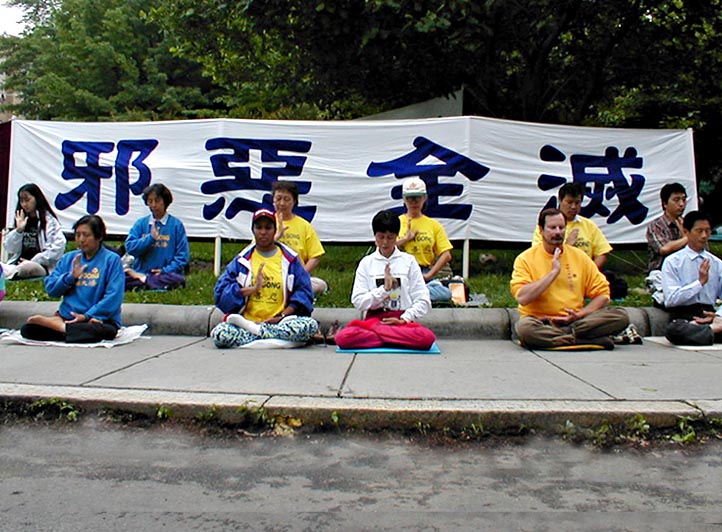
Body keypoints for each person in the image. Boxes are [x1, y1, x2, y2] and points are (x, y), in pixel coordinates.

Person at [512, 208, 629, 350]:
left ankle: (562, 338)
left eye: (561, 228)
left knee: (620, 316)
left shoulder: (579, 257)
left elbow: (603, 295)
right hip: (542, 322)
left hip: (576, 322)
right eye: (552, 228)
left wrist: (579, 315)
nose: (558, 232)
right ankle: (587, 340)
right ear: (541, 230)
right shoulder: (525, 259)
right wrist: (553, 273)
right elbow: (523, 298)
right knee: (525, 329)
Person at [211, 208, 319, 348]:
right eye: (259, 227)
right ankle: (274, 339)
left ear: (275, 230)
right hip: (247, 322)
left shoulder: (290, 259)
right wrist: (251, 290)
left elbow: (304, 293)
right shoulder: (242, 261)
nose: (263, 232)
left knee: (309, 326)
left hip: (281, 322)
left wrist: (281, 316)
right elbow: (220, 294)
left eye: (268, 228)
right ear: (253, 230)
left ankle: (256, 335)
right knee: (220, 334)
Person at [334, 209, 436, 350]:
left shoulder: (409, 261)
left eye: (390, 237)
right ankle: (395, 339)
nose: (385, 242)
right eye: (381, 237)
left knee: (426, 338)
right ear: (375, 236)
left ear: (396, 236)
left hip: (401, 320)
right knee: (343, 337)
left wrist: (405, 318)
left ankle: (381, 338)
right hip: (374, 320)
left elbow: (423, 299)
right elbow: (358, 301)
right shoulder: (366, 263)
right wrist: (383, 290)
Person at [20, 215, 124, 343]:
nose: (81, 240)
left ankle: (61, 328)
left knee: (103, 331)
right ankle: (67, 328)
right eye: (78, 235)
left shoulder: (112, 260)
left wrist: (87, 316)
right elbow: (51, 290)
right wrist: (70, 277)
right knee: (28, 329)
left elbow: (114, 296)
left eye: (86, 235)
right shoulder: (68, 258)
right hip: (68, 317)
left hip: (98, 319)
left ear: (99, 237)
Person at [661, 211, 722, 345]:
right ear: (686, 232)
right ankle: (711, 331)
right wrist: (699, 283)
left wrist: (718, 316)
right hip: (683, 315)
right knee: (674, 330)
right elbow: (671, 299)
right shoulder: (673, 261)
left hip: (709, 313)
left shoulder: (717, 263)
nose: (704, 236)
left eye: (707, 231)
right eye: (699, 231)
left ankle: (710, 330)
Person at [396, 177, 453, 302]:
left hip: (424, 272)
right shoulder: (396, 222)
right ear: (404, 199)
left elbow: (446, 254)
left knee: (445, 294)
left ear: (424, 198)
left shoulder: (433, 224)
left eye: (417, 198)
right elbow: (384, 247)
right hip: (402, 271)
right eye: (410, 198)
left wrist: (429, 275)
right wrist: (405, 239)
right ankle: (414, 295)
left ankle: (408, 295)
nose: (414, 202)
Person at [123, 183, 189, 291]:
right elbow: (130, 247)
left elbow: (182, 256)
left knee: (178, 280)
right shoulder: (141, 223)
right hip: (140, 271)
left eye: (157, 201)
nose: (153, 205)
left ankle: (145, 281)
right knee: (120, 278)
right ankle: (148, 281)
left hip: (165, 274)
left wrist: (165, 270)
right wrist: (150, 238)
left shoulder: (176, 225)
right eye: (150, 201)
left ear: (165, 201)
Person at [532, 182, 612, 270]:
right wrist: (567, 246)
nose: (573, 207)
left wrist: (590, 272)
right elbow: (539, 256)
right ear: (560, 200)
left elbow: (602, 253)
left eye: (577, 203)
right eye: (569, 202)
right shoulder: (545, 226)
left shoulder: (589, 225)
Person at [272, 181, 328, 296]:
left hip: (296, 276)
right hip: (271, 275)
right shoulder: (266, 222)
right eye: (278, 199)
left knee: (320, 285)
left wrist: (302, 274)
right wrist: (276, 237)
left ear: (294, 202)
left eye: (286, 199)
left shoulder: (304, 226)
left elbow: (315, 256)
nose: (282, 203)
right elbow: (255, 250)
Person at [1, 184, 66, 280]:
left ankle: (9, 273)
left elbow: (58, 248)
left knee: (27, 267)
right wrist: (18, 231)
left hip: (40, 265)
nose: (24, 204)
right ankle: (10, 272)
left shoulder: (49, 221)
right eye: (21, 201)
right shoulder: (21, 219)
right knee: (17, 267)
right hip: (17, 263)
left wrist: (34, 260)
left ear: (37, 199)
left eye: (27, 200)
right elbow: (10, 249)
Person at [647, 183, 688, 273]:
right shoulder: (656, 225)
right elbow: (664, 249)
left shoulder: (688, 223)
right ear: (665, 204)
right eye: (676, 200)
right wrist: (688, 237)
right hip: (661, 272)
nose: (681, 204)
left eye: (684, 200)